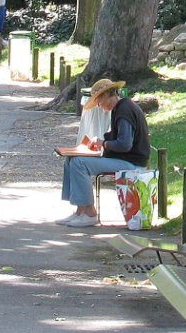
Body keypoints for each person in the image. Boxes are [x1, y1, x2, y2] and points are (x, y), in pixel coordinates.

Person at [57, 78, 150, 227]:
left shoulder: (124, 110)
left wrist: (104, 143)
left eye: (98, 100)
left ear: (107, 95)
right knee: (71, 159)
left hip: (132, 163)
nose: (98, 105)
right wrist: (102, 142)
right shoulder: (121, 108)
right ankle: (80, 211)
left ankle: (89, 213)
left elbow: (125, 144)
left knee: (79, 162)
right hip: (126, 159)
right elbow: (119, 139)